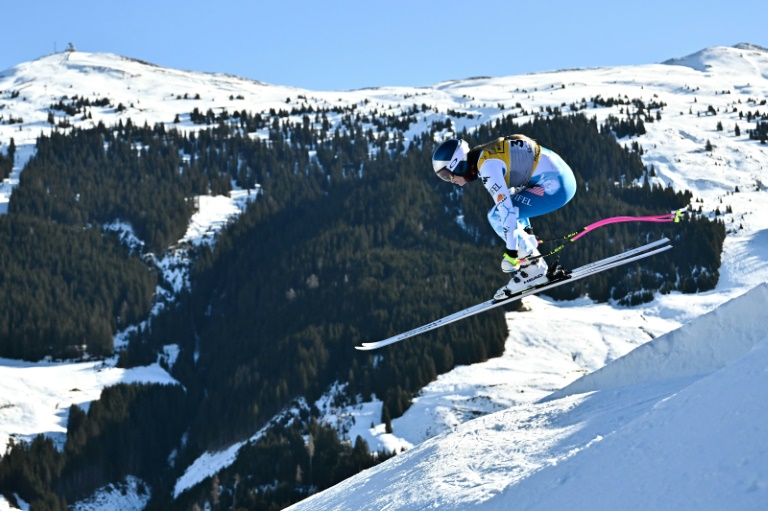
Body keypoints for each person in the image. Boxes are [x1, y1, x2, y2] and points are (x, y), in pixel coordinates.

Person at [431, 135, 577, 300]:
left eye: (446, 175)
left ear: (457, 164)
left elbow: (506, 212)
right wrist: (527, 233)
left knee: (495, 216)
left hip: (555, 186)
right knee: (501, 212)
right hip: (560, 177)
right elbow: (514, 198)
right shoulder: (485, 155)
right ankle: (533, 262)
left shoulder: (487, 167)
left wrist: (511, 253)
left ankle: (535, 269)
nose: (450, 181)